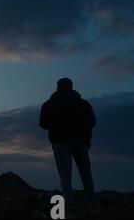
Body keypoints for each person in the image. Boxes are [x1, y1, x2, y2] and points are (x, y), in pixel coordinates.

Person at [39, 78, 96, 207]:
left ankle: (70, 204)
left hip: (60, 142)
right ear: (71, 86)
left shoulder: (49, 104)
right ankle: (92, 204)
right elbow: (92, 122)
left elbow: (43, 124)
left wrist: (56, 126)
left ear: (57, 87)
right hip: (81, 141)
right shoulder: (83, 103)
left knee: (65, 176)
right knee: (86, 174)